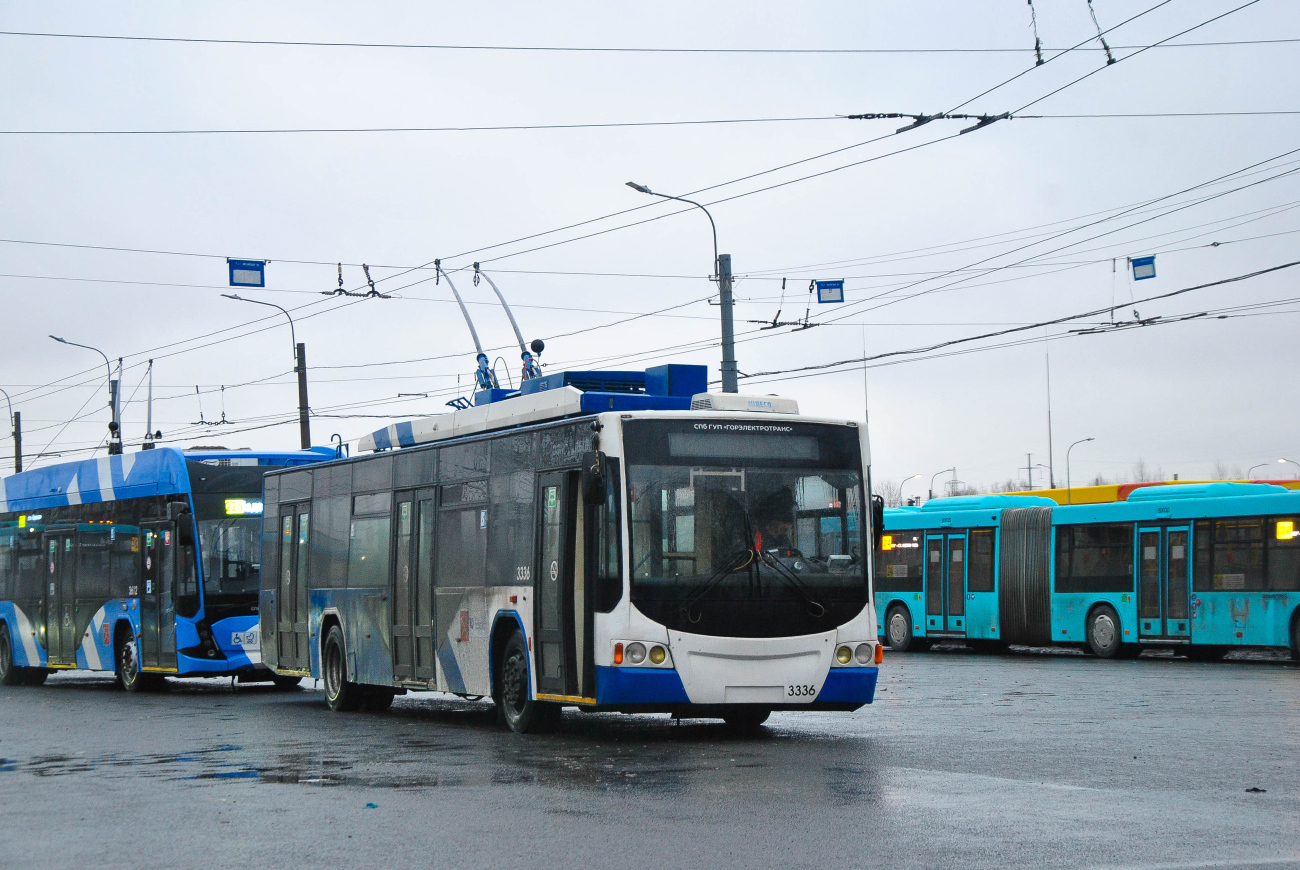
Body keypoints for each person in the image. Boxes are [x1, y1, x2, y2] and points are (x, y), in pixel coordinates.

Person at [752, 486, 798, 554]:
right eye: (784, 521)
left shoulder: (785, 540)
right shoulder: (756, 537)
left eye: (789, 522)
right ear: (772, 521)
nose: (787, 526)